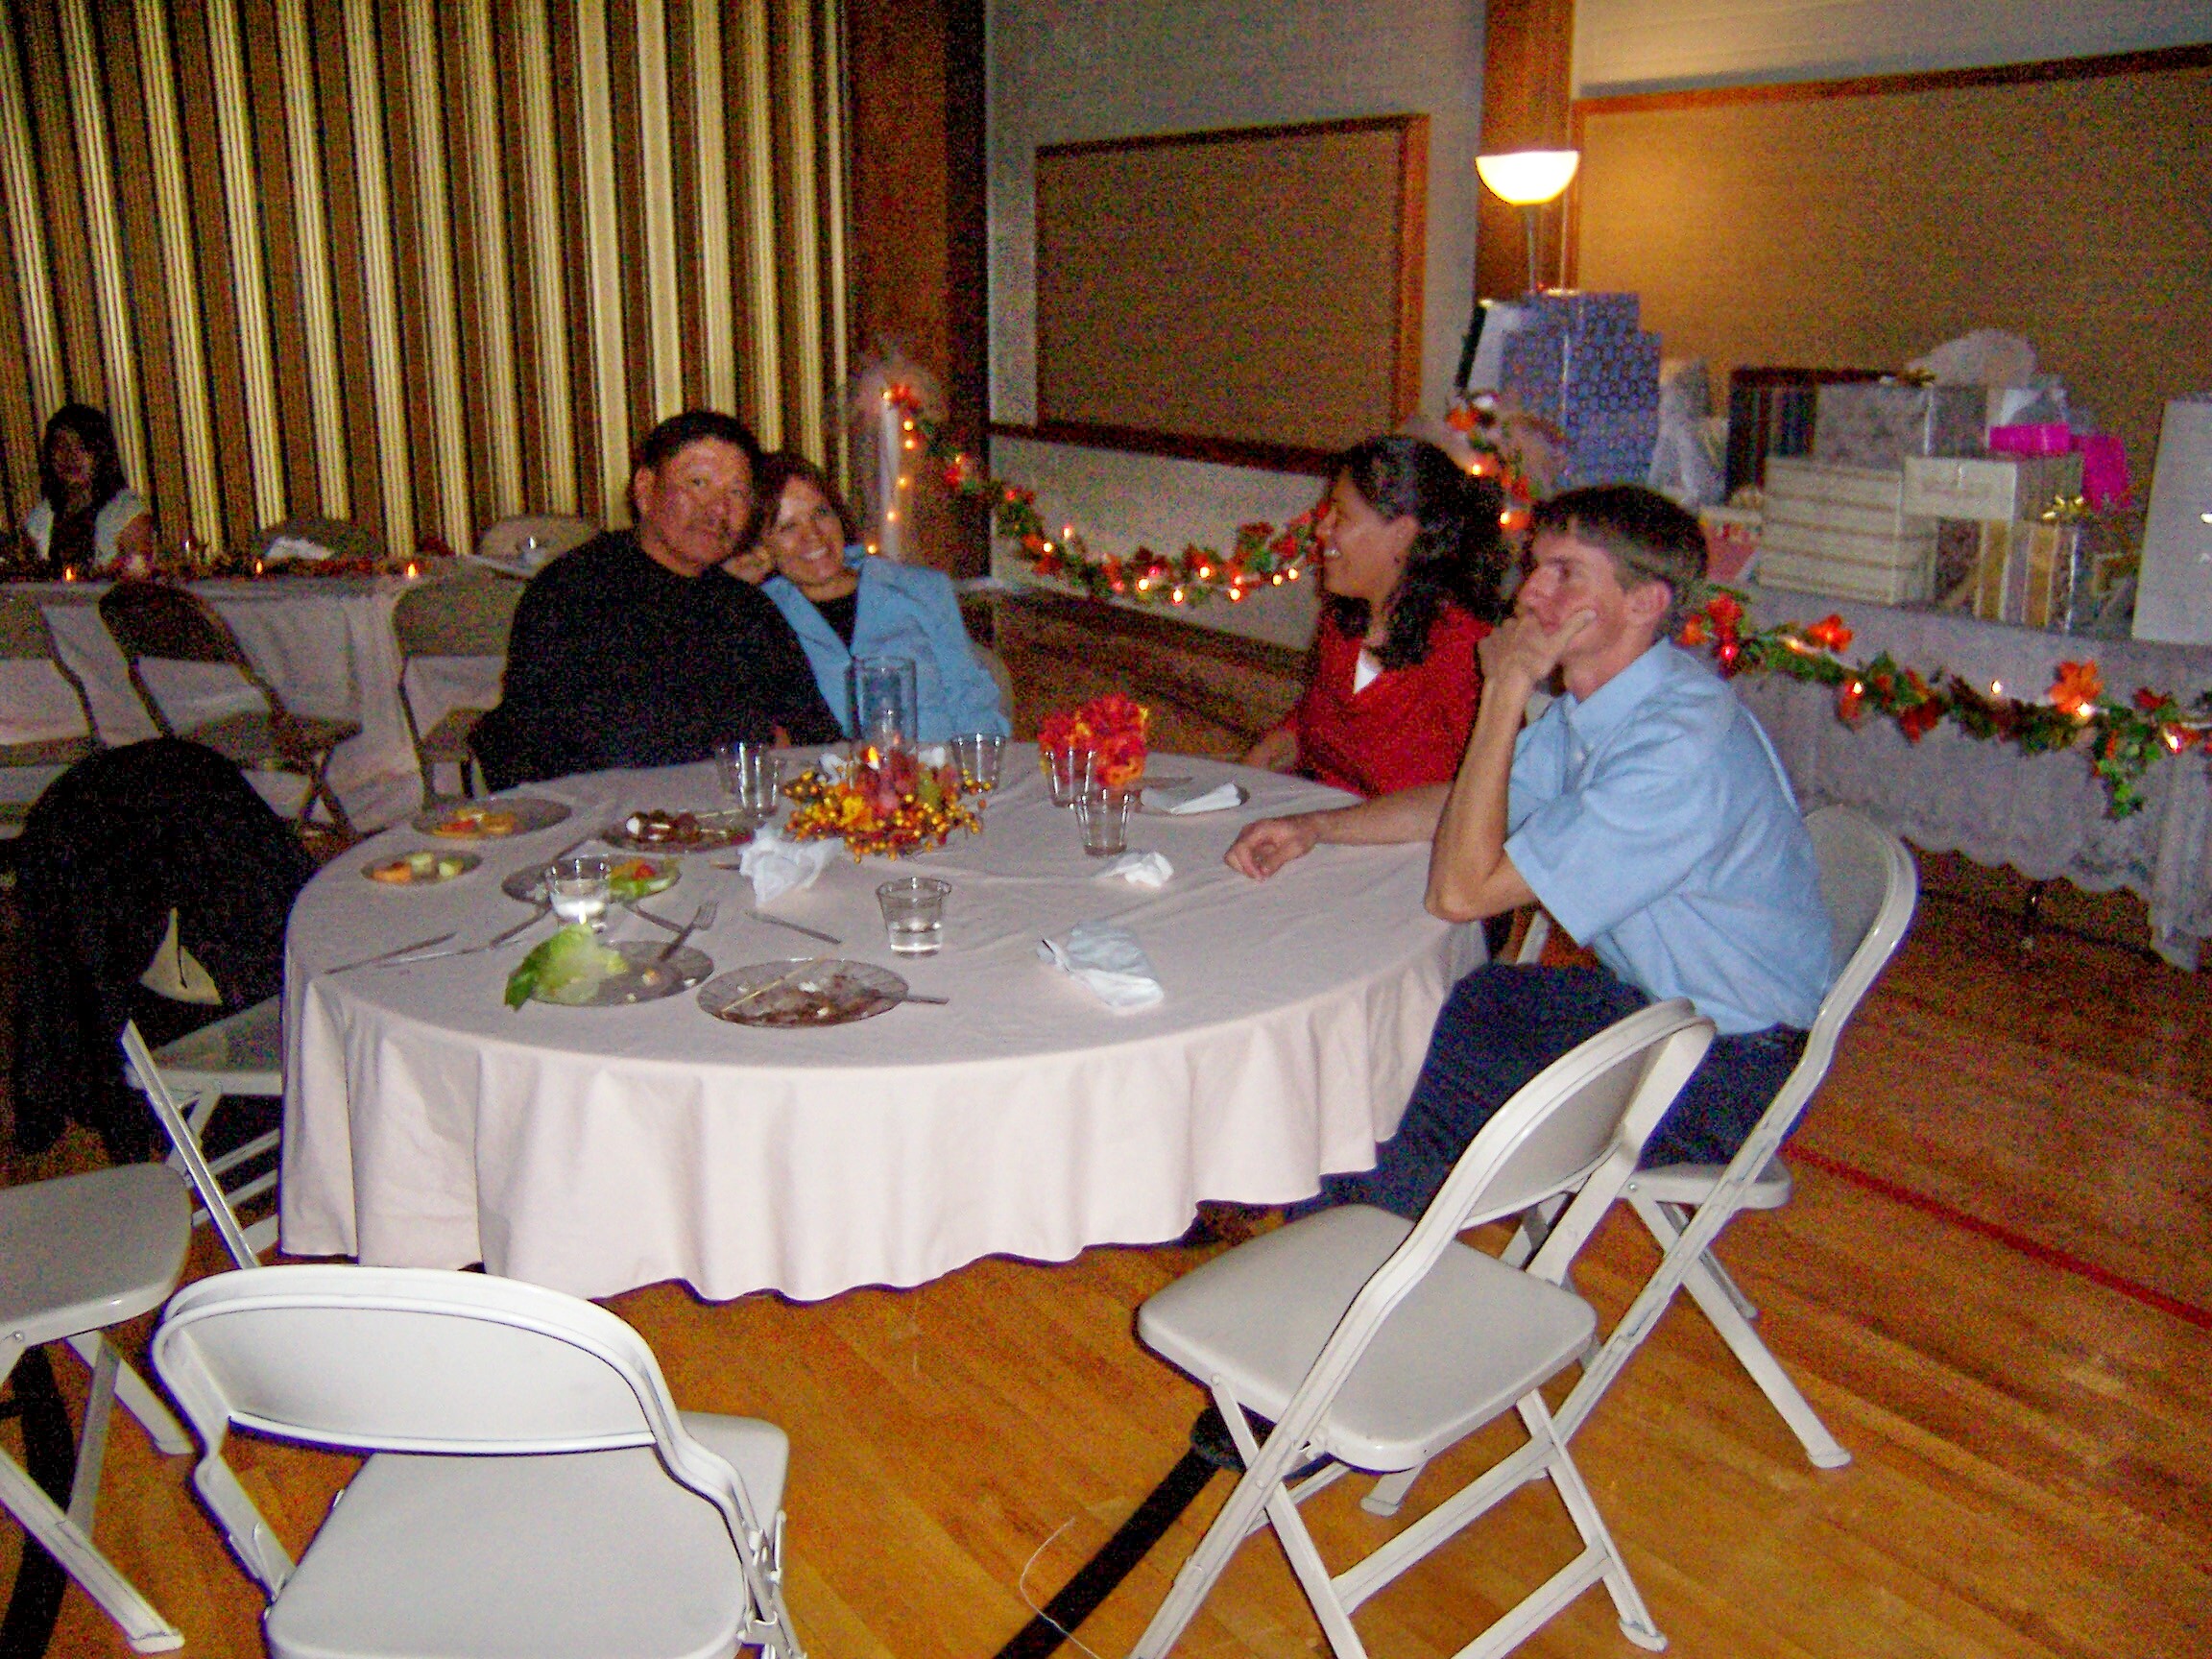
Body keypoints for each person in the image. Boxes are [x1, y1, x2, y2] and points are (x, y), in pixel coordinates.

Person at [1228, 484, 1831, 1214]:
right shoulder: (1616, 701)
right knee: (1410, 1016)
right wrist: (1319, 827)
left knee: (1411, 1087)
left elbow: (1460, 893)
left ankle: (1343, 1253)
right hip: (1661, 1010)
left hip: (1727, 1071)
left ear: (1645, 603)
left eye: (1566, 573)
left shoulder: (1675, 748)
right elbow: (1472, 803)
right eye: (1535, 565)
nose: (1530, 593)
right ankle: (1308, 1198)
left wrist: (1505, 688)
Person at [470, 411, 842, 788]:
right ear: (646, 489)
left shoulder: (746, 608)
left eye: (737, 493)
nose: (718, 509)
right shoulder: (573, 593)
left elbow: (816, 739)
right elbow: (577, 746)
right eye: (698, 483)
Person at [1243, 435, 1506, 799]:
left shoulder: (1466, 648)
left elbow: (1485, 793)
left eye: (1341, 516)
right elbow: (1312, 726)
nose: (1322, 530)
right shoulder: (1342, 622)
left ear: (1401, 535)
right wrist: (1258, 762)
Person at [745, 451, 1010, 743]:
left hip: (939, 764)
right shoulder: (759, 614)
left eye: (820, 513)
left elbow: (973, 700)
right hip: (830, 770)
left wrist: (975, 767)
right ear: (760, 545)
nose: (814, 535)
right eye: (788, 527)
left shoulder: (921, 589)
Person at [18, 404, 155, 573]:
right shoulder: (39, 519)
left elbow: (137, 576)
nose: (70, 456)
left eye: (82, 447)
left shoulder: (127, 514)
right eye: (61, 446)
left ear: (100, 454)